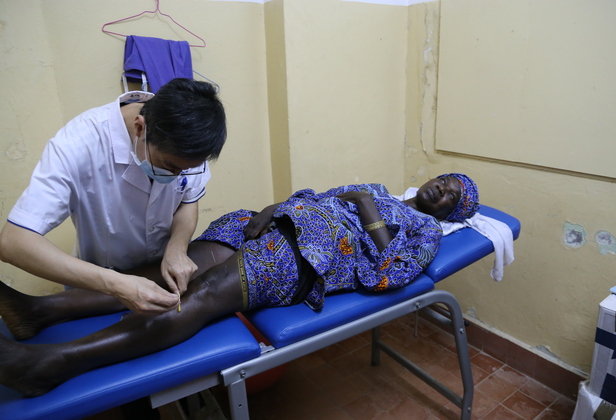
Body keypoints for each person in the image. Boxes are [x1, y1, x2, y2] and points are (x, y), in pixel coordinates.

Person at [0, 173, 479, 397]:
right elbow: (319, 195)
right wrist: (274, 208)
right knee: (170, 269)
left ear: (449, 213)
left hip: (311, 256)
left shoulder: (426, 233)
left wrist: (363, 207)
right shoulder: (377, 186)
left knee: (204, 295)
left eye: (453, 196)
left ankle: (51, 364)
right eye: (446, 181)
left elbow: (386, 275)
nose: (443, 189)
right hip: (274, 223)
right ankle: (41, 313)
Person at [0, 78, 227, 315]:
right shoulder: (78, 144)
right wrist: (115, 283)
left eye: (186, 170)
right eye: (169, 166)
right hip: (99, 287)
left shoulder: (189, 144)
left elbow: (188, 200)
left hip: (161, 276)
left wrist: (177, 247)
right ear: (140, 128)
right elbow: (13, 242)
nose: (177, 175)